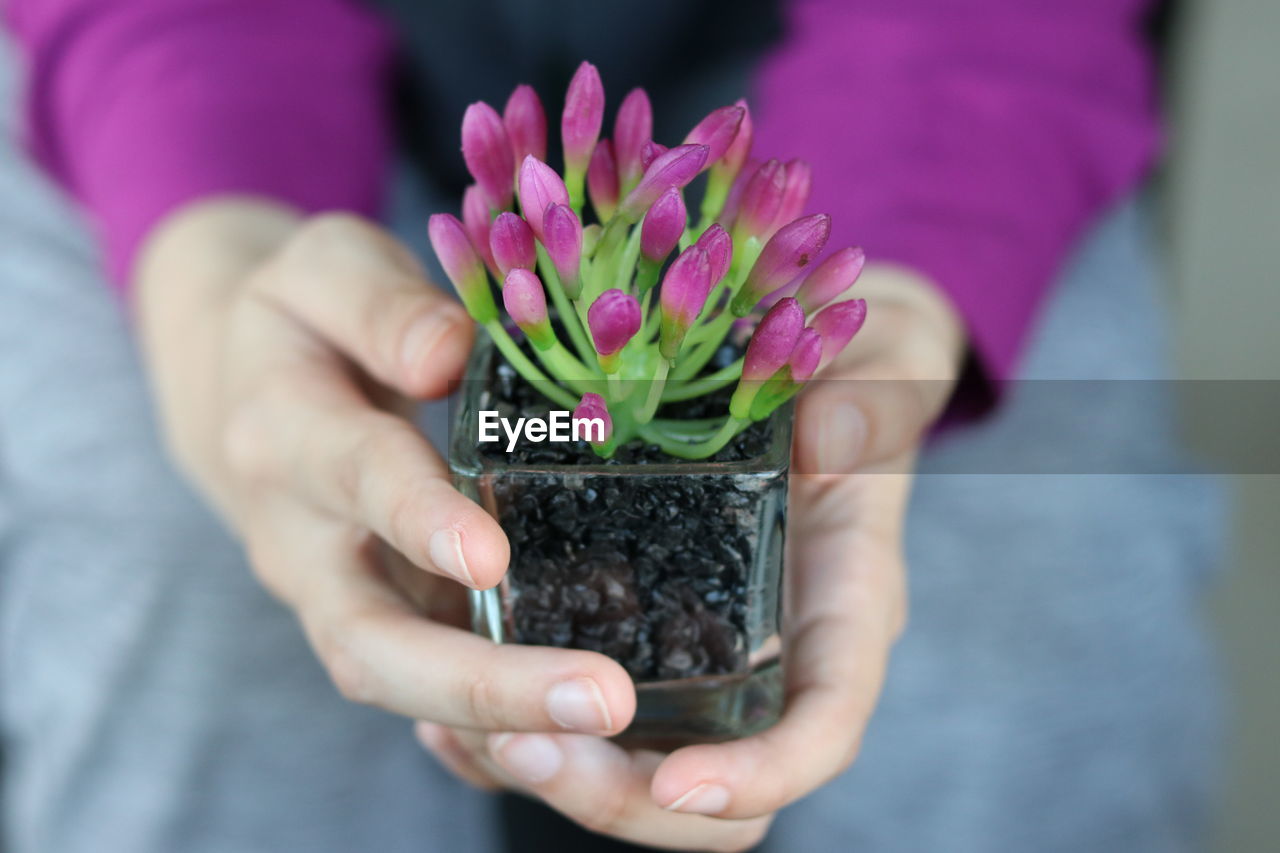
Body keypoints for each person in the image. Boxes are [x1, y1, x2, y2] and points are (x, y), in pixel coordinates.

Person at [0, 1, 1222, 851]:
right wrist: (208, 280)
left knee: (1038, 540)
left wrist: (910, 259)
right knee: (183, 547)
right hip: (183, 90)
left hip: (907, 94)